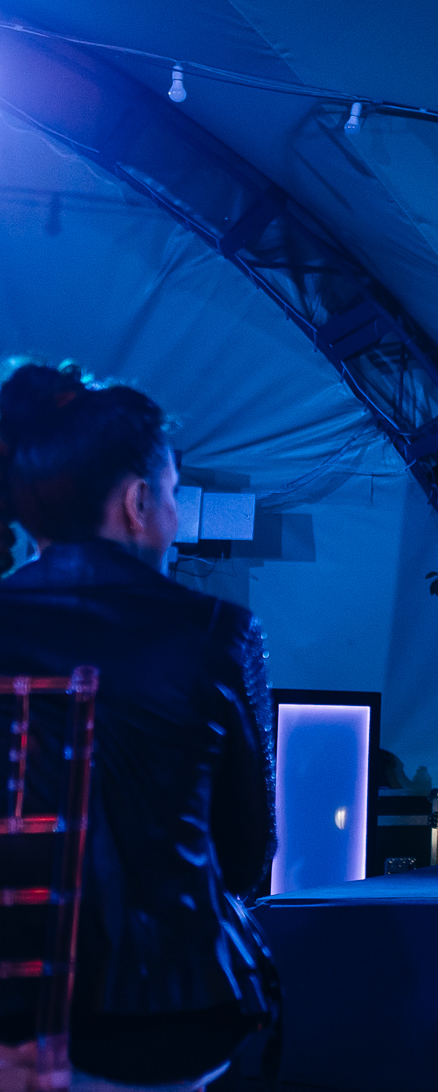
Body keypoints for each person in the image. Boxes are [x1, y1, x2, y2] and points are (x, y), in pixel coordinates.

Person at [0, 363, 275, 1092]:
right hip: (161, 1015)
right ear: (138, 502)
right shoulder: (217, 632)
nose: (175, 518)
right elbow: (248, 853)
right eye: (174, 494)